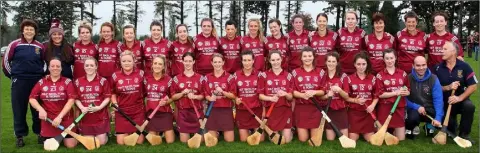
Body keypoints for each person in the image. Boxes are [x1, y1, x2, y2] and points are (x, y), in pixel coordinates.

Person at [3, 19, 46, 147]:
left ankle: (40, 133)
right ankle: (20, 136)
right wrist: (13, 76)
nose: (29, 31)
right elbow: (5, 62)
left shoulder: (40, 46)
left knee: (37, 109)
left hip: (36, 81)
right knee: (19, 109)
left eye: (31, 29)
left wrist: (41, 77)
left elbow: (45, 63)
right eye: (26, 29)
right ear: (22, 30)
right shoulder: (14, 44)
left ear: (35, 32)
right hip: (19, 81)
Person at [432, 41, 478, 142]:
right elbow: (433, 88)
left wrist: (459, 98)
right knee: (451, 131)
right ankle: (451, 126)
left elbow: (473, 85)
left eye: (445, 49)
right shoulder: (437, 68)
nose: (441, 51)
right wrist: (448, 87)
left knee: (469, 106)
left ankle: (464, 134)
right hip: (444, 103)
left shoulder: (464, 66)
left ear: (453, 51)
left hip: (460, 100)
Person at [29, 58, 78, 148]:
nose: (55, 68)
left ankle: (71, 134)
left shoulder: (67, 82)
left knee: (71, 145)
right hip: (49, 120)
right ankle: (56, 136)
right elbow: (32, 98)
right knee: (48, 146)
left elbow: (71, 100)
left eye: (58, 66)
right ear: (49, 68)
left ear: (61, 68)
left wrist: (59, 117)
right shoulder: (42, 82)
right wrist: (40, 109)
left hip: (64, 118)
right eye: (53, 66)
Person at [337, 52, 379, 142]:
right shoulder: (348, 78)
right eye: (358, 64)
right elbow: (346, 97)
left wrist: (372, 106)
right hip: (354, 113)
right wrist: (356, 100)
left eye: (363, 64)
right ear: (354, 65)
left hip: (368, 113)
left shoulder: (373, 78)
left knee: (370, 140)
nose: (361, 67)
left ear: (367, 64)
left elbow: (376, 95)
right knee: (353, 139)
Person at [258, 50, 294, 143]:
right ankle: (270, 130)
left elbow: (291, 97)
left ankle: (291, 130)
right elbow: (260, 96)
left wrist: (285, 94)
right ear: (269, 61)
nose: (276, 62)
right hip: (271, 110)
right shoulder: (264, 75)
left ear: (281, 59)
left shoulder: (288, 76)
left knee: (287, 140)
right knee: (274, 140)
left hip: (284, 109)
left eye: (278, 59)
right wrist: (270, 98)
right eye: (273, 60)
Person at [291, 47, 326, 142]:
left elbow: (323, 91)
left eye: (310, 56)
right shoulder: (295, 72)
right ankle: (294, 128)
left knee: (314, 139)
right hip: (301, 108)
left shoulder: (321, 72)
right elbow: (293, 91)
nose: (307, 58)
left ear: (314, 57)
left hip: (315, 108)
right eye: (305, 56)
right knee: (303, 139)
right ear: (301, 58)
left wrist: (314, 92)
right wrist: (302, 95)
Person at [111, 51, 146, 145]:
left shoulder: (141, 74)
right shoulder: (115, 76)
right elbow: (113, 92)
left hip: (138, 111)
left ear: (134, 61)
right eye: (124, 61)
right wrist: (114, 103)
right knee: (121, 142)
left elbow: (146, 91)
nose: (126, 63)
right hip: (122, 112)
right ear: (120, 62)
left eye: (129, 61)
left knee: (139, 142)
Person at [405, 56, 444, 139]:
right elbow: (403, 99)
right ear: (413, 66)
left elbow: (438, 100)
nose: (421, 68)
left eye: (423, 65)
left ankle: (429, 126)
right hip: (414, 110)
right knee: (412, 119)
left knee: (447, 122)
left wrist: (438, 118)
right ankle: (411, 127)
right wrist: (416, 106)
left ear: (427, 65)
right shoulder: (408, 78)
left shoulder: (434, 78)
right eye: (418, 65)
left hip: (429, 109)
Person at [74, 57, 111, 145]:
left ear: (96, 67)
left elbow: (107, 97)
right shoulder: (78, 81)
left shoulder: (103, 81)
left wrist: (99, 107)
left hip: (100, 116)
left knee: (101, 142)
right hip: (85, 117)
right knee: (90, 143)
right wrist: (82, 107)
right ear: (84, 67)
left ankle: (105, 134)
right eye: (87, 65)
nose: (89, 67)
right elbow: (76, 98)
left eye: (91, 65)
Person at [169, 52, 205, 143]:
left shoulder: (201, 78)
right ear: (182, 62)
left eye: (190, 61)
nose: (188, 63)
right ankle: (178, 129)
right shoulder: (176, 78)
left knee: (201, 141)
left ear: (193, 62)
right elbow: (173, 97)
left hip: (197, 112)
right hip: (183, 113)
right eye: (186, 61)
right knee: (184, 141)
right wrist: (182, 94)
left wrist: (195, 96)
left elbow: (203, 95)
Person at [375, 49, 410, 141]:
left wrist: (406, 92)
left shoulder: (403, 74)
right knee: (380, 138)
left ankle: (392, 131)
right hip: (385, 107)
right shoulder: (380, 75)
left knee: (401, 139)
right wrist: (396, 93)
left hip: (398, 107)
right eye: (387, 58)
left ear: (395, 58)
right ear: (383, 59)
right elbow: (380, 94)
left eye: (391, 58)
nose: (389, 61)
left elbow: (408, 89)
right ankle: (388, 131)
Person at [231, 50, 265, 142]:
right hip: (242, 110)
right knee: (244, 140)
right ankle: (249, 132)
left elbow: (263, 94)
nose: (247, 63)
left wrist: (263, 111)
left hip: (256, 109)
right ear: (241, 61)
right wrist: (236, 99)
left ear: (253, 60)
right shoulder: (236, 75)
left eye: (249, 60)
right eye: (244, 60)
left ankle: (253, 130)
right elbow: (233, 94)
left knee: (260, 140)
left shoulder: (260, 75)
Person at [204, 53, 237, 142]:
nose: (217, 64)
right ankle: (217, 132)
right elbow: (205, 94)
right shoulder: (207, 77)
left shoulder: (230, 77)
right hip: (212, 109)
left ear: (223, 62)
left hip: (226, 109)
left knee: (229, 140)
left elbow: (233, 95)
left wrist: (222, 91)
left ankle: (222, 131)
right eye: (215, 62)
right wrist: (210, 98)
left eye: (219, 62)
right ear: (212, 63)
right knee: (213, 140)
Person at [144, 56, 175, 143]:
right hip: (151, 113)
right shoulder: (146, 79)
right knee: (154, 142)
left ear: (163, 66)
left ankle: (168, 130)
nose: (157, 66)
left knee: (170, 141)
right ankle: (158, 132)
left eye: (160, 64)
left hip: (165, 112)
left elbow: (173, 97)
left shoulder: (169, 79)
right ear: (152, 65)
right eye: (155, 63)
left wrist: (166, 102)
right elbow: (142, 95)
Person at [319, 52, 349, 140]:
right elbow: (320, 97)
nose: (331, 63)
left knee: (345, 137)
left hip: (341, 109)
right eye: (329, 61)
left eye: (333, 61)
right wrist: (327, 95)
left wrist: (339, 90)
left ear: (337, 63)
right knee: (330, 139)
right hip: (328, 110)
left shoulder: (343, 76)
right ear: (326, 62)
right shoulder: (322, 75)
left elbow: (346, 96)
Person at [336, 10, 366, 74]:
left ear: (356, 20)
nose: (350, 21)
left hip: (357, 69)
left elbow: (365, 50)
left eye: (352, 19)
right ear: (345, 20)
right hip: (342, 69)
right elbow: (336, 49)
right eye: (348, 19)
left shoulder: (362, 33)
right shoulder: (340, 32)